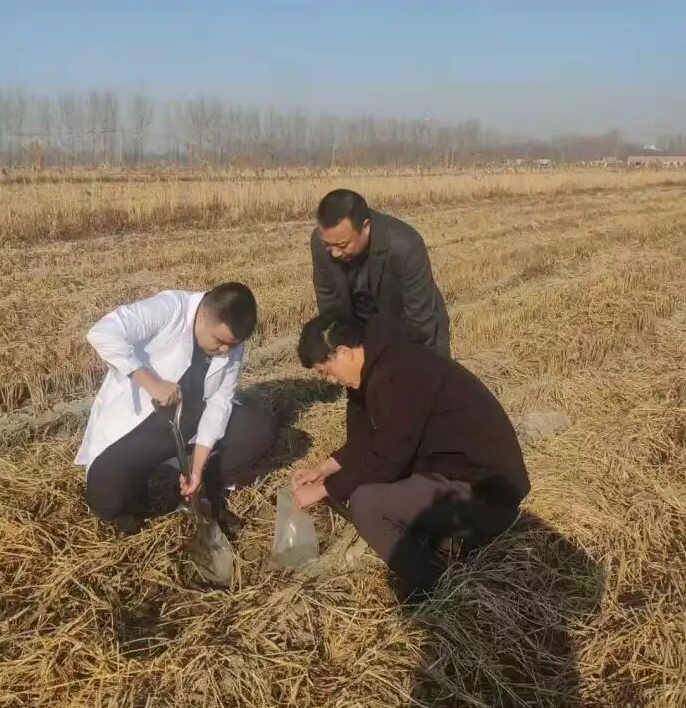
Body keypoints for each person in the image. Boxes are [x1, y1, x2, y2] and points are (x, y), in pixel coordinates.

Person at [291, 313, 530, 600]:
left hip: (486, 494)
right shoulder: (373, 369)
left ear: (344, 353)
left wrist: (324, 490)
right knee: (363, 487)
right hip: (451, 473)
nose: (331, 380)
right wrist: (324, 470)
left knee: (366, 503)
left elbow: (387, 460)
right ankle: (444, 542)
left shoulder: (401, 373)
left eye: (326, 371)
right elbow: (368, 439)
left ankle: (427, 589)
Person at [76, 283, 276, 535]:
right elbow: (102, 332)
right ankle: (138, 485)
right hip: (141, 427)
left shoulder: (231, 344)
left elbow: (219, 403)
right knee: (107, 503)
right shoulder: (171, 308)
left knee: (258, 428)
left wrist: (197, 468)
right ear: (202, 317)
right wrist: (153, 384)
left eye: (233, 345)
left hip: (189, 426)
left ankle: (194, 484)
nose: (225, 350)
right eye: (220, 341)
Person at [311, 189, 450, 357]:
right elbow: (328, 296)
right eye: (328, 245)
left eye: (343, 245)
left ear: (365, 227)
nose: (334, 253)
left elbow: (420, 319)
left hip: (408, 325)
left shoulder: (405, 247)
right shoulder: (320, 243)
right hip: (360, 327)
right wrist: (340, 344)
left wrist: (414, 361)